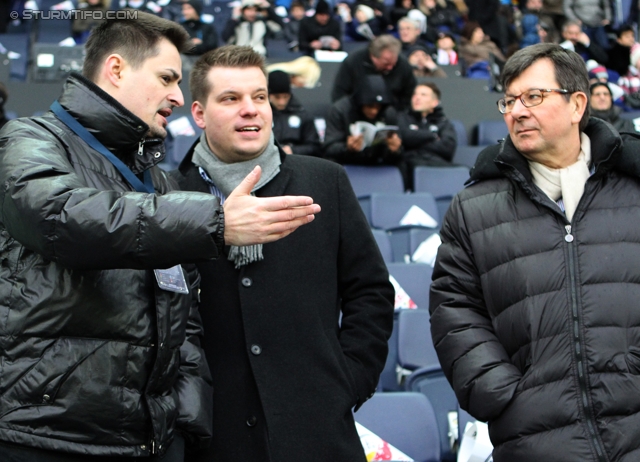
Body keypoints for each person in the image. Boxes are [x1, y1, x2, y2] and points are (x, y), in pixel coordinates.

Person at [0, 13, 320, 462]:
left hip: (151, 441)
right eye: (167, 78)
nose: (176, 95)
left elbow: (182, 316)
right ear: (116, 70)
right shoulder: (28, 139)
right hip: (43, 437)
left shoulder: (158, 181)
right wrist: (216, 222)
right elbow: (58, 216)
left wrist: (186, 420)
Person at [170, 45, 395, 462]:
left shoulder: (325, 181)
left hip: (319, 431)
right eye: (231, 99)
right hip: (213, 437)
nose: (251, 110)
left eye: (259, 97)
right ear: (199, 114)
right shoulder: (169, 197)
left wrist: (348, 381)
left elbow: (371, 293)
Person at [430, 42, 640, 461]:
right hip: (536, 438)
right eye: (509, 100)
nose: (517, 111)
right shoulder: (475, 207)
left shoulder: (633, 189)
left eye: (534, 97)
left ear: (577, 104)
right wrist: (504, 393)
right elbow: (454, 307)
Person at [324, 74, 404, 169]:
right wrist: (347, 148)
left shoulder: (388, 112)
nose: (374, 111)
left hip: (377, 163)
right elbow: (329, 147)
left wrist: (395, 150)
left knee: (402, 164)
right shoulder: (340, 110)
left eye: (378, 106)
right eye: (370, 105)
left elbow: (398, 147)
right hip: (346, 163)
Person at [331, 34, 417, 110]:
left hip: (392, 112)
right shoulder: (353, 61)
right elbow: (340, 93)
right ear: (373, 56)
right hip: (357, 110)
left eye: (393, 63)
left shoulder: (403, 64)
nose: (390, 67)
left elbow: (409, 94)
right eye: (386, 63)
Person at [397, 82, 457, 187]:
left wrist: (415, 141)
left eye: (423, 95)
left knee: (465, 171)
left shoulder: (443, 123)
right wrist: (432, 136)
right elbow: (405, 137)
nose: (417, 98)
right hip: (410, 166)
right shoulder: (402, 118)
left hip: (437, 164)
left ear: (434, 102)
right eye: (415, 94)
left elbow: (447, 149)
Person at [268, 69, 321, 155]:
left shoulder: (302, 113)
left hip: (296, 161)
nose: (282, 102)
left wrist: (293, 150)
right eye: (277, 97)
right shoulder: (260, 115)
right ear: (268, 95)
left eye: (285, 97)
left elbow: (315, 147)